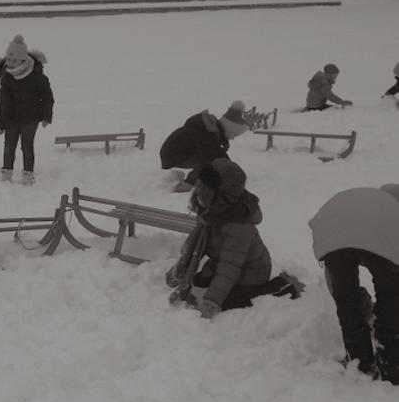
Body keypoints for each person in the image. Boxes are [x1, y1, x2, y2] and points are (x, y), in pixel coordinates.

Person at [166, 158, 301, 318]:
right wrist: (182, 274)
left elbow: (229, 267)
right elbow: (197, 247)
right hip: (221, 263)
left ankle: (284, 285)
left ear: (222, 196)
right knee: (198, 282)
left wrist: (212, 302)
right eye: (199, 185)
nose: (198, 191)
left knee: (229, 303)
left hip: (251, 272)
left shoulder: (239, 227)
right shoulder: (210, 212)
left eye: (205, 188)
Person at [309, 184, 399, 384]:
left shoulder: (366, 201)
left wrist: (347, 300)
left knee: (346, 301)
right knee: (390, 295)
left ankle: (359, 360)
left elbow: (336, 287)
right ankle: (392, 363)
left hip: (332, 236)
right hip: (369, 237)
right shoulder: (391, 214)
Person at [0, 34, 54, 185]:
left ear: (22, 60)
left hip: (30, 118)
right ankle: (6, 174)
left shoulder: (36, 76)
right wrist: (1, 124)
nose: (10, 63)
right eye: (8, 59)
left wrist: (46, 116)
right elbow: (4, 103)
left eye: (14, 60)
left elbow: (47, 97)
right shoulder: (7, 77)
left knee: (27, 146)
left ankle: (28, 175)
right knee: (9, 146)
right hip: (12, 120)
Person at [159, 100, 249, 193]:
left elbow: (220, 156)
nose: (233, 138)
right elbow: (209, 159)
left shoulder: (211, 131)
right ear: (229, 129)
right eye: (234, 134)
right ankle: (186, 185)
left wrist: (232, 171)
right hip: (173, 155)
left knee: (214, 159)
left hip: (181, 153)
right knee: (211, 160)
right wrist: (191, 181)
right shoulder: (205, 132)